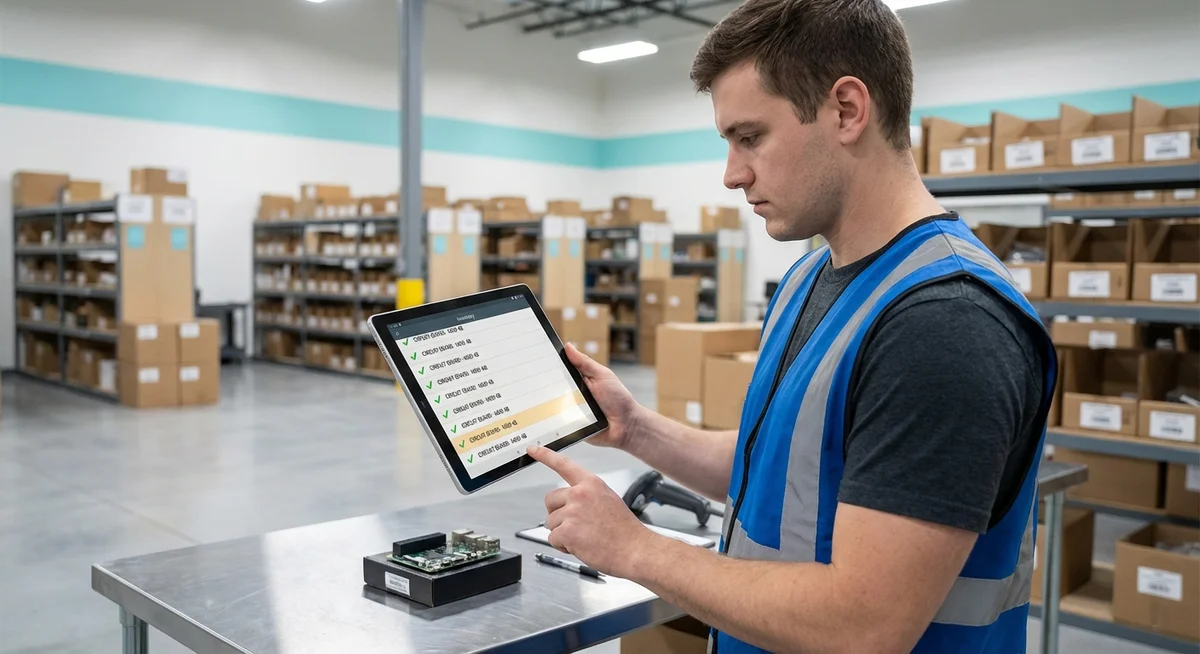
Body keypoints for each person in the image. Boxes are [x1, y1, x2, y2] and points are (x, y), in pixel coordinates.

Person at [526, 0, 1057, 651]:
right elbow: (777, 468)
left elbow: (865, 624)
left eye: (750, 137)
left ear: (847, 111)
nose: (732, 174)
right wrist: (638, 429)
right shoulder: (813, 278)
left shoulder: (945, 323)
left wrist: (636, 549)